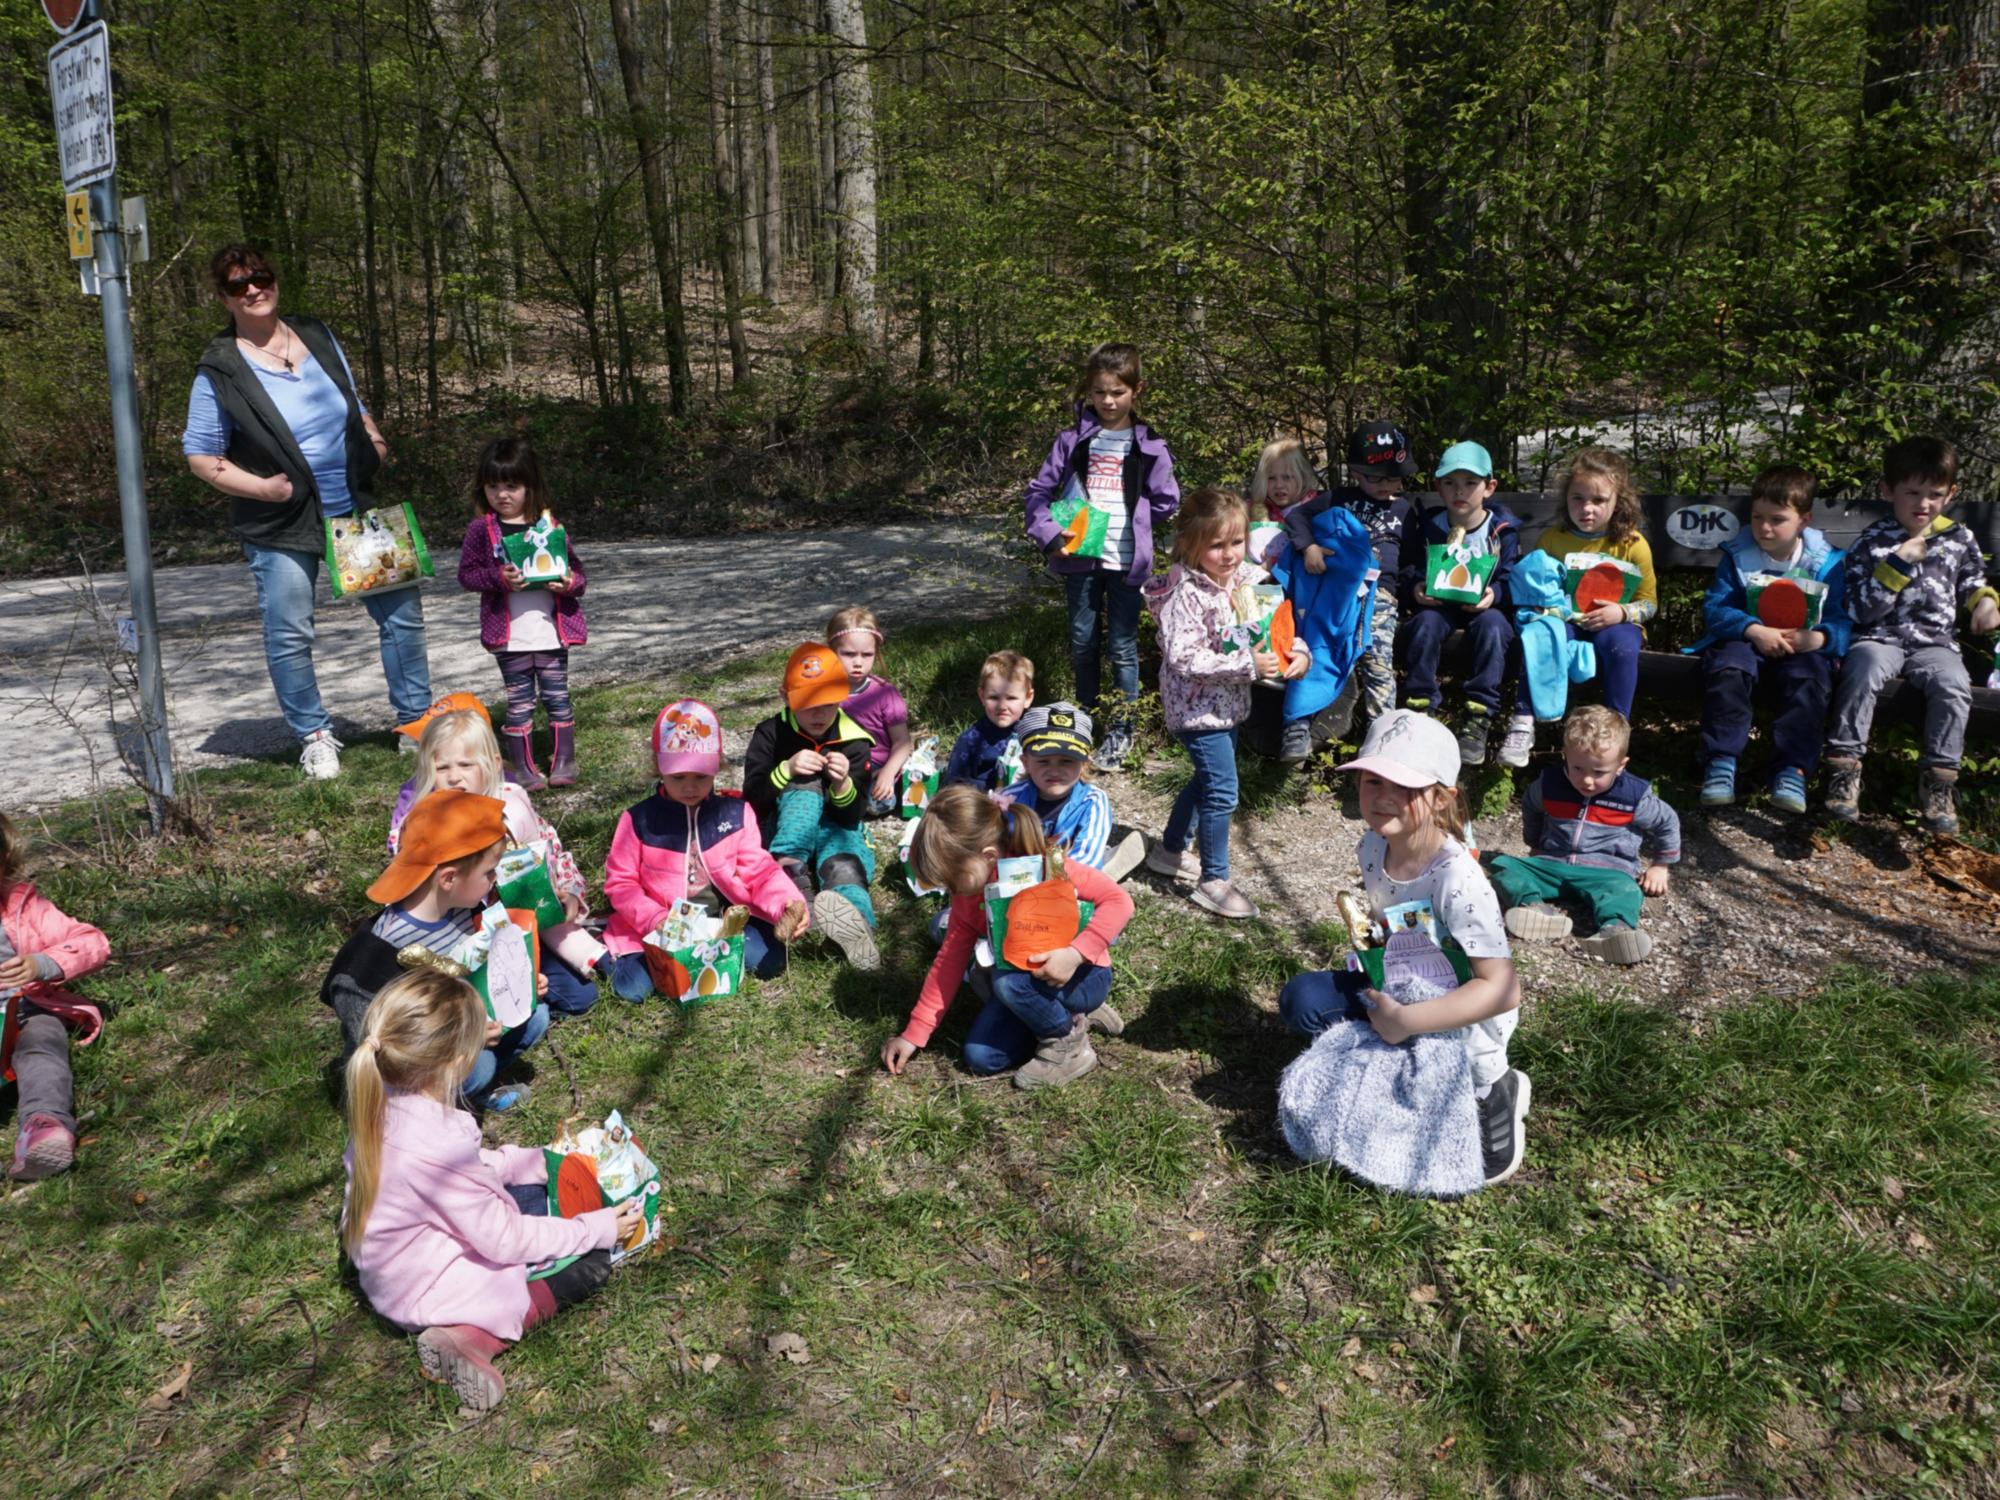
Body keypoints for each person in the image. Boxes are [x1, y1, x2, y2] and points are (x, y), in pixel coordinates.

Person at [182, 244, 430, 780]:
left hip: (354, 506)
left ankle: (415, 723)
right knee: (291, 632)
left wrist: (374, 440)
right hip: (280, 523)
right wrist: (263, 489)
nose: (252, 289)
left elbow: (353, 400)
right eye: (237, 284)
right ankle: (314, 736)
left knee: (402, 615)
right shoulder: (219, 368)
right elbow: (201, 456)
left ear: (274, 280)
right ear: (223, 297)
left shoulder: (315, 334)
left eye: (260, 277)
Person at [341, 969, 640, 1412]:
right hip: (425, 1287)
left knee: (537, 1199)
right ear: (456, 1063)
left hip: (391, 1270)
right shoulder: (436, 1145)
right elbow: (503, 1239)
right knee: (588, 1264)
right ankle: (471, 1341)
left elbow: (468, 1174)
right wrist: (594, 1229)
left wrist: (535, 1161)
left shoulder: (382, 1100)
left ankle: (461, 1331)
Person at [1275, 710, 1527, 1190]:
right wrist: (1370, 945)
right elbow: (1392, 928)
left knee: (1456, 1070)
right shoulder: (1372, 846)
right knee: (1303, 1001)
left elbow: (1502, 990)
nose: (1383, 796)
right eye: (1372, 781)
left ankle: (1496, 1088)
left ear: (1441, 799)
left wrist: (1408, 1022)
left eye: (1404, 786)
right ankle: (1391, 1053)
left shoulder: (1459, 880)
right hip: (1396, 984)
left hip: (1464, 1010)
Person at [880, 785, 1134, 1089]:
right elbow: (948, 961)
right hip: (1029, 981)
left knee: (1005, 980)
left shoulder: (1045, 864)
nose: (951, 891)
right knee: (981, 1057)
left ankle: (1068, 1045)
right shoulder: (967, 896)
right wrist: (914, 1033)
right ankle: (1069, 1012)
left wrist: (1075, 954)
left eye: (953, 880)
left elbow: (1120, 901)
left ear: (988, 856)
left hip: (1083, 974)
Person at [322, 788, 549, 1112]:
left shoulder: (459, 907)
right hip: (400, 1072)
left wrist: (520, 983)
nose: (495, 879)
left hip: (462, 1025)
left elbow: (477, 973)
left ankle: (464, 1091)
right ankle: (450, 1103)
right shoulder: (379, 953)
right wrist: (464, 1036)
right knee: (479, 1065)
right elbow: (387, 1047)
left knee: (536, 1016)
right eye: (489, 872)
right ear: (449, 878)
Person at [1142, 488, 1309, 918]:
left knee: (1205, 783)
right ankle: (1213, 879)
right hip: (1196, 710)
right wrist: (1246, 664)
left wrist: (1298, 653)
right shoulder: (1186, 595)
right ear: (1190, 544)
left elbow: (1278, 627)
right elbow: (1183, 657)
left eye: (1236, 542)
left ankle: (1170, 851)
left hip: (1229, 705)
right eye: (1216, 545)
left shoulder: (1247, 582)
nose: (1230, 554)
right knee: (1222, 792)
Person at [1825, 436, 2000, 834]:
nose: (1923, 504)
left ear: (1951, 493)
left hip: (1933, 643)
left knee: (1955, 685)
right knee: (1862, 669)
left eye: (1935, 494)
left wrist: (1986, 604)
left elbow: (1973, 583)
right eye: (1912, 493)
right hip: (1879, 637)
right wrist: (1898, 564)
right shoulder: (1874, 541)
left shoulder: (1958, 538)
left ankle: (1939, 781)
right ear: (1888, 491)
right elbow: (1860, 609)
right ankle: (1844, 771)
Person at [1023, 343, 1181, 769]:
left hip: (1127, 563)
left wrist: (1143, 517)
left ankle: (1122, 728)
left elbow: (1168, 501)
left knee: (1124, 647)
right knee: (1082, 642)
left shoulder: (1148, 445)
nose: (1108, 402)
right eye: (1099, 393)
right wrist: (1050, 533)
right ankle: (1086, 718)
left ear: (1136, 390)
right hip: (1080, 557)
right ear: (1089, 393)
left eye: (1117, 393)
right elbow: (1039, 492)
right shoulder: (1073, 441)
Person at [388, 707, 605, 1015]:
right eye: (441, 767)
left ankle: (528, 995)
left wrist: (567, 891)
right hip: (460, 942)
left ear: (490, 766)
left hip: (517, 928)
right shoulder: (424, 821)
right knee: (492, 1004)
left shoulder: (511, 804)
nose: (454, 777)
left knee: (581, 998)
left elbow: (548, 852)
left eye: (466, 764)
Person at [602, 699, 811, 1002]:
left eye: (701, 776)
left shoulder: (735, 813)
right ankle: (608, 956)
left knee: (771, 959)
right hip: (659, 924)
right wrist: (654, 919)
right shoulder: (639, 819)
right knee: (632, 989)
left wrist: (786, 903)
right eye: (678, 778)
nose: (690, 787)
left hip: (718, 922)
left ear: (717, 767)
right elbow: (621, 884)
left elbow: (759, 869)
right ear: (659, 768)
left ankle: (711, 954)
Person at [1686, 464, 1851, 813]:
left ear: (1803, 520)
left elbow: (1841, 619)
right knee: (1729, 666)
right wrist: (1753, 629)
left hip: (1801, 648)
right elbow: (1716, 609)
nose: (1764, 527)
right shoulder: (1738, 556)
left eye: (1777, 519)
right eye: (1758, 517)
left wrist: (1819, 639)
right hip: (1748, 643)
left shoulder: (1828, 563)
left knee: (1810, 678)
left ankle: (1792, 770)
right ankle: (1721, 762)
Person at [1487, 706, 1681, 966]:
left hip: (1607, 871)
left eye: (1599, 772)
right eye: (1578, 768)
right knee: (1504, 864)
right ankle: (1535, 910)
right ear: (1565, 756)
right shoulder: (1550, 784)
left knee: (1625, 890)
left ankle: (1615, 931)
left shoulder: (1633, 796)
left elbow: (1667, 822)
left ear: (1621, 765)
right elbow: (1531, 806)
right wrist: (1534, 843)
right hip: (1552, 864)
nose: (1587, 780)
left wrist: (1660, 866)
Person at [454, 436, 587, 790]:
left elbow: (578, 575)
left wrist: (568, 583)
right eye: (493, 486)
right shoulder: (481, 531)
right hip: (509, 635)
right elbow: (466, 575)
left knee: (558, 697)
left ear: (530, 486)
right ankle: (525, 768)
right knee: (519, 701)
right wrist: (499, 578)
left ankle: (564, 761)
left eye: (512, 486)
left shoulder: (550, 527)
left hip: (551, 632)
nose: (502, 495)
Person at [742, 644, 881, 970]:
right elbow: (753, 797)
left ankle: (857, 925)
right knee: (804, 786)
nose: (818, 714)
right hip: (785, 827)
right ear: (785, 695)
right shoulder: (770, 733)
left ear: (843, 696)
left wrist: (844, 784)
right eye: (808, 705)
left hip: (836, 829)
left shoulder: (855, 741)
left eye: (828, 704)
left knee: (846, 865)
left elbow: (854, 816)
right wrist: (785, 771)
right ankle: (791, 877)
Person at [1281, 422, 1425, 731]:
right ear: (1356, 473)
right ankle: (1298, 724)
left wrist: (1413, 589)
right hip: (1337, 593)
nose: (1386, 484)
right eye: (1376, 477)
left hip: (1381, 598)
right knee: (1320, 651)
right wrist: (1309, 548)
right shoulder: (1338, 498)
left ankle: (1382, 734)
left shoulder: (1405, 510)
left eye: (1394, 476)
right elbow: (1297, 516)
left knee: (1378, 664)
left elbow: (1411, 561)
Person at [1397, 441, 1523, 766]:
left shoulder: (1501, 531)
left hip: (1485, 609)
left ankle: (1478, 715)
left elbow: (1512, 578)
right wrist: (1416, 589)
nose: (1460, 491)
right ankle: (1419, 705)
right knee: (1424, 623)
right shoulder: (1431, 526)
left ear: (1489, 487)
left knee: (1495, 627)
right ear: (1438, 487)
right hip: (1438, 606)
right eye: (1450, 482)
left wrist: (1495, 594)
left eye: (1470, 483)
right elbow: (1408, 567)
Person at [0, 813, 110, 1181]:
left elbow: (91, 942)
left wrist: (44, 964)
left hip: (24, 1010)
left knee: (43, 1048)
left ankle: (43, 1126)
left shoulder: (23, 906)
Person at [1523, 447, 1656, 730]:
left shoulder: (1633, 544)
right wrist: (1547, 608)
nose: (1587, 508)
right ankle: (1524, 721)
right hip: (1568, 623)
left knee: (1621, 646)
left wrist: (1621, 613)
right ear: (1566, 498)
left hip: (1616, 626)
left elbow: (1649, 603)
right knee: (1539, 636)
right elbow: (1537, 591)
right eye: (1578, 498)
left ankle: (1616, 728)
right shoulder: (1551, 540)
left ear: (1618, 501)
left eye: (1599, 500)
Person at [997, 702, 1145, 880]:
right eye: (1043, 761)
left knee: (1095, 890)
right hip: (1016, 875)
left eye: (1066, 761)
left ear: (1084, 763)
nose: (1054, 770)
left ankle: (1105, 867)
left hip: (1068, 878)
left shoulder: (1092, 801)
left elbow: (1084, 863)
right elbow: (988, 842)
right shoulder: (1008, 798)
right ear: (1025, 761)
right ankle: (1107, 863)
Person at [828, 606, 914, 817]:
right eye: (848, 654)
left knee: (879, 803)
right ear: (831, 652)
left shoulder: (884, 694)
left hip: (874, 766)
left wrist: (887, 773)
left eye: (867, 655)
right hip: (835, 761)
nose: (858, 662)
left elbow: (903, 742)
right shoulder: (824, 691)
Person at [944, 651, 1034, 791]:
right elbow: (954, 782)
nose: (1002, 706)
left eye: (1011, 698)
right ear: (982, 696)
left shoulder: (1032, 735)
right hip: (983, 805)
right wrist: (988, 790)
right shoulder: (970, 740)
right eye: (994, 698)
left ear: (1028, 698)